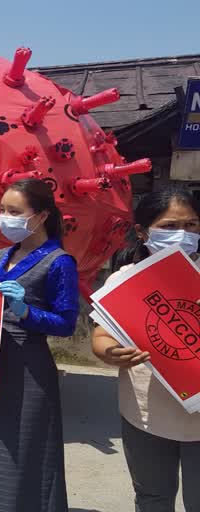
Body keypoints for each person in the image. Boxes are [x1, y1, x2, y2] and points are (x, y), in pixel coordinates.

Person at [91, 187, 200, 511]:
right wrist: (109, 352)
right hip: (147, 415)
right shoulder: (125, 280)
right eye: (169, 226)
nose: (182, 234)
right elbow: (101, 336)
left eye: (192, 225)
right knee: (153, 497)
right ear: (141, 232)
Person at [0, 179, 79, 511]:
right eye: (3, 210)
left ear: (42, 215)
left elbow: (65, 324)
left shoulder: (59, 262)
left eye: (15, 211)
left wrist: (26, 312)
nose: (6, 217)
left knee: (28, 447)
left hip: (29, 367)